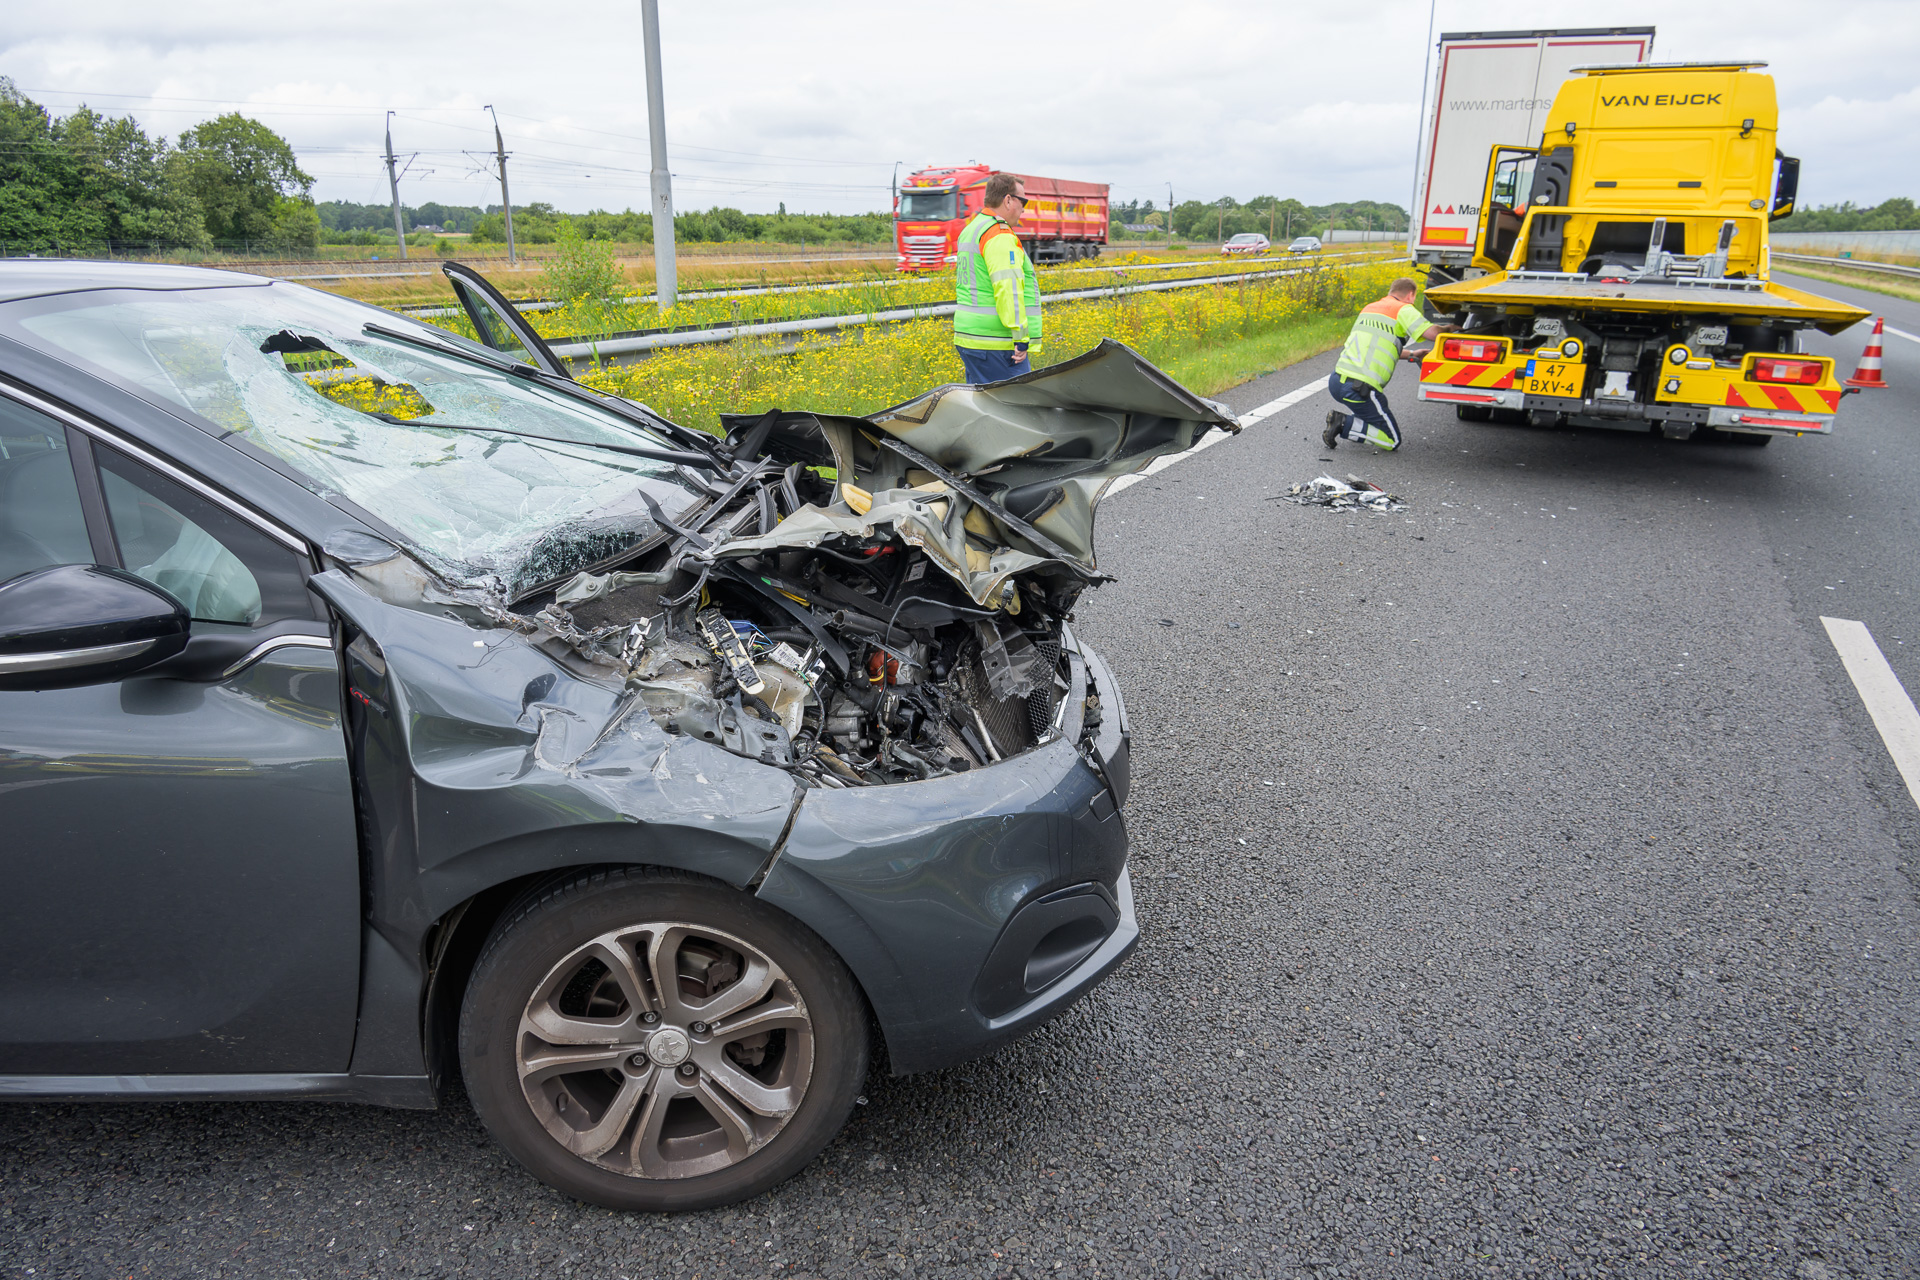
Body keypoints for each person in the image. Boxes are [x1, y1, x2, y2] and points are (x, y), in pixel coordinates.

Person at [1321, 277, 1456, 451]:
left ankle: (1353, 423)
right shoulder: (1404, 309)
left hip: (1336, 381)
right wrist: (1450, 328)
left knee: (1369, 416)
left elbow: (1380, 344)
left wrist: (1413, 354)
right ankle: (1343, 423)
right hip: (1359, 388)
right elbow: (1432, 333)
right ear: (1411, 295)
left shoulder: (1370, 308)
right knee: (1392, 440)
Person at [954, 173, 1040, 384]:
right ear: (1008, 200)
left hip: (970, 337)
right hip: (996, 343)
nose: (1024, 208)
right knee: (1017, 409)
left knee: (982, 408)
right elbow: (1007, 289)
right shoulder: (999, 235)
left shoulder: (972, 229)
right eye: (1023, 201)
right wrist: (1021, 338)